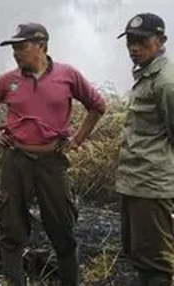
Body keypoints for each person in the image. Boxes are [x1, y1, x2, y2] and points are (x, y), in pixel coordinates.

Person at [0, 22, 106, 285]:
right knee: (11, 231)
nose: (15, 53)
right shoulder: (9, 81)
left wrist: (77, 139)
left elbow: (97, 106)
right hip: (16, 161)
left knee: (63, 230)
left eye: (21, 47)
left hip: (52, 162)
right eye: (14, 48)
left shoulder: (68, 75)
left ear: (41, 46)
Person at [115, 13, 174, 286]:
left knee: (158, 265)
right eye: (129, 41)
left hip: (152, 186)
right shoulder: (147, 77)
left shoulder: (166, 82)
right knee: (141, 257)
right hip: (136, 184)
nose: (133, 47)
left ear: (160, 40)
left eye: (141, 40)